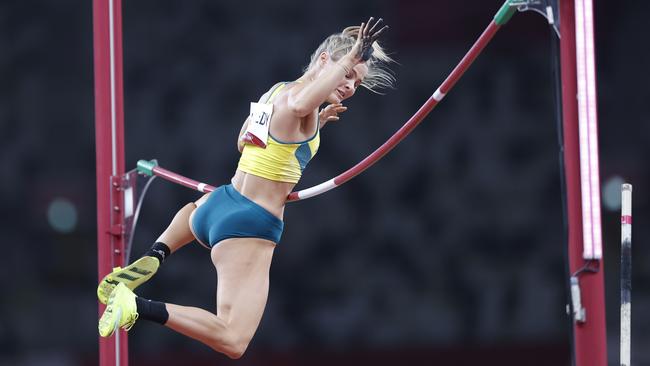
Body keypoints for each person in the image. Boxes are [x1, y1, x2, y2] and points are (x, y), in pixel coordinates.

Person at [97, 17, 395, 359]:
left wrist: (312, 128)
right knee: (233, 338)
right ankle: (134, 305)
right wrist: (344, 62)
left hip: (217, 205)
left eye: (356, 81)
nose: (350, 86)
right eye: (346, 74)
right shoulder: (300, 102)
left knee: (202, 204)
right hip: (249, 224)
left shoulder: (276, 91)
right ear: (325, 61)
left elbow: (244, 142)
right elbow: (298, 106)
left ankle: (157, 253)